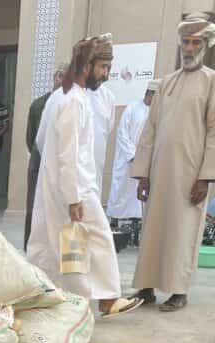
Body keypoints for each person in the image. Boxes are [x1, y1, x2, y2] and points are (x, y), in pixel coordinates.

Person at [28, 34, 142, 318]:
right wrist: (73, 196)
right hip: (75, 187)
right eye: (103, 67)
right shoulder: (73, 101)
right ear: (87, 65)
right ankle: (107, 299)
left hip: (59, 185)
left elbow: (42, 143)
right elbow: (68, 155)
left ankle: (45, 297)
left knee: (53, 245)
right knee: (99, 237)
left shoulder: (61, 97)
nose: (106, 74)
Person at [132, 15, 215, 313]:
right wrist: (143, 173)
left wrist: (205, 177)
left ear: (205, 46)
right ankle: (146, 287)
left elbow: (213, 132)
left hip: (190, 174)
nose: (189, 48)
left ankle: (179, 291)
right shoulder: (166, 83)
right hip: (159, 173)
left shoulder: (211, 81)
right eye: (185, 42)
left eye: (195, 42)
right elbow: (149, 131)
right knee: (153, 230)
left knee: (183, 230)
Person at [24, 66, 67, 249]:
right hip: (39, 163)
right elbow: (31, 138)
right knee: (34, 208)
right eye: (59, 76)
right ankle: (30, 247)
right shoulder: (38, 105)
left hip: (61, 169)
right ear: (55, 78)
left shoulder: (70, 103)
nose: (61, 81)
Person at [107, 81, 158, 227]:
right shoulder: (132, 107)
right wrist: (133, 155)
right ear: (148, 93)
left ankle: (136, 226)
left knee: (138, 196)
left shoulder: (157, 113)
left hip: (144, 161)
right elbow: (122, 133)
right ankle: (114, 222)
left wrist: (144, 158)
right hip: (127, 159)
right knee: (121, 189)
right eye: (152, 95)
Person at [87, 79, 116, 183]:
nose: (105, 73)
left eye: (108, 68)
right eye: (102, 67)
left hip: (97, 155)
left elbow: (109, 127)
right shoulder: (72, 92)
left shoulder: (108, 97)